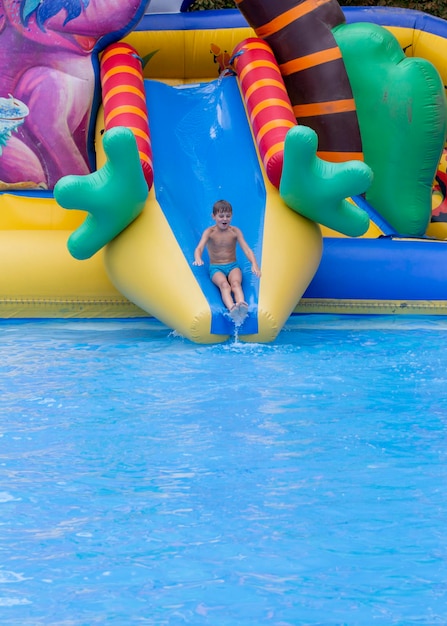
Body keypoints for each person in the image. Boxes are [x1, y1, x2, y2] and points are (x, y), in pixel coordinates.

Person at [193, 200, 261, 316]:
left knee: (235, 283)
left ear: (232, 216)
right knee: (224, 285)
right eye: (221, 216)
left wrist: (254, 264)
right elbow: (199, 248)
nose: (225, 219)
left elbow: (247, 249)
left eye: (228, 216)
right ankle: (232, 308)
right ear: (213, 216)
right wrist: (198, 258)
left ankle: (241, 303)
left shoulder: (235, 232)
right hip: (216, 268)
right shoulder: (210, 232)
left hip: (233, 266)